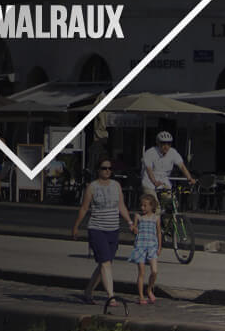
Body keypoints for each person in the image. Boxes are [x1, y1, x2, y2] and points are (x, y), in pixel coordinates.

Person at [73, 158, 128, 308]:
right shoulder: (92, 187)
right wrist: (76, 226)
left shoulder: (116, 185)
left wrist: (130, 222)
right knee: (105, 263)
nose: (107, 171)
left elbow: (121, 205)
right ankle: (111, 296)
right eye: (104, 168)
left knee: (105, 264)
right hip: (97, 228)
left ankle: (88, 291)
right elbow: (84, 208)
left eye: (110, 169)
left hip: (113, 229)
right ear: (98, 170)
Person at [141, 131, 195, 210]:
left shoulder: (173, 152)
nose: (166, 146)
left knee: (171, 204)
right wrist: (154, 182)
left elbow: (182, 166)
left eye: (169, 144)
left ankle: (167, 221)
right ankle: (155, 220)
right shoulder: (150, 153)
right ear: (158, 143)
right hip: (149, 181)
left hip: (163, 181)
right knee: (155, 207)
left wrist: (189, 178)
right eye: (163, 143)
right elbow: (149, 170)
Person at [130, 190, 164, 305]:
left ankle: (149, 288)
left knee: (154, 271)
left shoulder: (156, 218)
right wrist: (134, 229)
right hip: (140, 246)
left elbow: (159, 232)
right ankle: (141, 296)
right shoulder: (138, 217)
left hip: (152, 247)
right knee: (141, 273)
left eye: (145, 205)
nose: (142, 207)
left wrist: (160, 246)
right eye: (141, 205)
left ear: (152, 206)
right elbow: (134, 228)